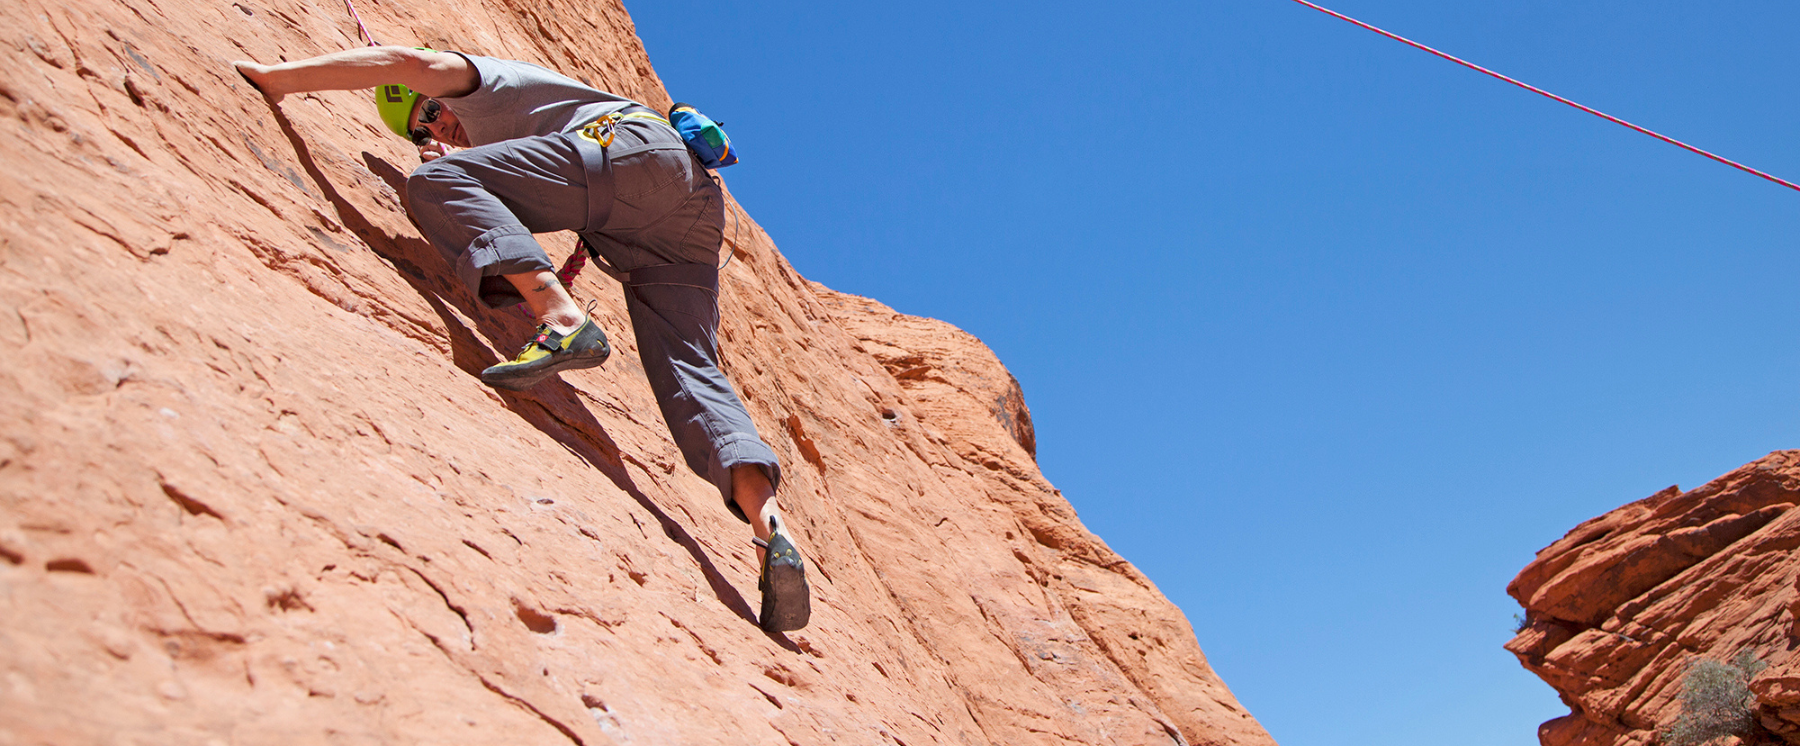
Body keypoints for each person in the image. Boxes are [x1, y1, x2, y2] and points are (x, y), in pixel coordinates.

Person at [232, 46, 809, 632]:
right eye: (421, 131)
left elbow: (408, 62)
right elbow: (509, 187)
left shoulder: (486, 83)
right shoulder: (502, 138)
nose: (438, 126)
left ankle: (563, 321)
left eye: (430, 111)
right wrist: (475, 170)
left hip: (628, 154)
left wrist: (275, 79)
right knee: (688, 367)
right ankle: (772, 533)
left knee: (436, 181)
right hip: (687, 208)